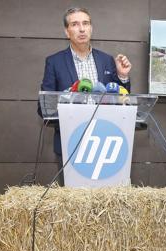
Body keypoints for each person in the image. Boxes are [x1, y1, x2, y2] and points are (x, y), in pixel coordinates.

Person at [38, 7, 133, 169]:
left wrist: (122, 76)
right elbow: (43, 107)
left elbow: (121, 100)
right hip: (69, 141)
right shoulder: (54, 62)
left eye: (85, 23)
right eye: (75, 24)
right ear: (67, 32)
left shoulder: (107, 60)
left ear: (91, 28)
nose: (81, 29)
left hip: (106, 139)